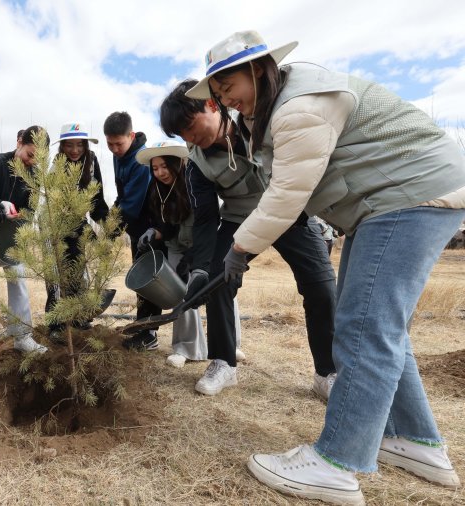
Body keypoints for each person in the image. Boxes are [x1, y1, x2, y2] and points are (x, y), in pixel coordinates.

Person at [189, 30, 465, 503]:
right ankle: (414, 441)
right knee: (380, 328)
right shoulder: (285, 101)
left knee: (363, 328)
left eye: (227, 87)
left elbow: (287, 194)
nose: (225, 100)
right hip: (386, 202)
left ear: (258, 69)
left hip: (407, 196)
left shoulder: (298, 108)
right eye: (217, 94)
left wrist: (238, 251)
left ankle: (336, 461)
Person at [161, 79, 337, 398]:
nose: (190, 138)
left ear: (212, 105)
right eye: (181, 135)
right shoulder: (197, 166)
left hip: (288, 213)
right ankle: (223, 363)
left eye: (190, 125)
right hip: (240, 220)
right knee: (218, 279)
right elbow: (205, 219)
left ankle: (327, 372)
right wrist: (201, 269)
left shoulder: (261, 123)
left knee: (322, 286)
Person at [0, 126, 50, 365]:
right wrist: (0, 206)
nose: (31, 161)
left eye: (37, 158)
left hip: (13, 237)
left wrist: (22, 219)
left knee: (19, 284)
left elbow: (31, 210)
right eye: (29, 154)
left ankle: (22, 336)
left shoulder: (34, 175)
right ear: (19, 142)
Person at [129, 141, 209, 366]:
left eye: (165, 166)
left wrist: (193, 257)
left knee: (220, 291)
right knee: (181, 292)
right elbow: (169, 225)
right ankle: (186, 347)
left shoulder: (193, 182)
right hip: (176, 246)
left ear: (176, 163)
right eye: (155, 168)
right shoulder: (157, 190)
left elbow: (206, 223)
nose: (160, 173)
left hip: (203, 245)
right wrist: (154, 232)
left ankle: (231, 345)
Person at [103, 112, 163, 350]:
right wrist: (110, 218)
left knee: (147, 281)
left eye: (119, 143)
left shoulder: (140, 160)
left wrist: (110, 231)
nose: (115, 149)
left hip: (151, 228)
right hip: (136, 228)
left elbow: (132, 206)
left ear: (132, 135)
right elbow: (122, 195)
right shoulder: (121, 156)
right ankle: (142, 330)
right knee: (141, 279)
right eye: (110, 144)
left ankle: (148, 334)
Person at [45, 122, 110, 334]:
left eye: (80, 145)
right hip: (55, 224)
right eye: (69, 145)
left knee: (78, 272)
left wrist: (108, 225)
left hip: (78, 224)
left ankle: (77, 318)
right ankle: (56, 323)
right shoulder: (56, 166)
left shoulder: (91, 163)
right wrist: (83, 226)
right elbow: (57, 204)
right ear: (62, 146)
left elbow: (96, 200)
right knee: (57, 275)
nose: (75, 150)